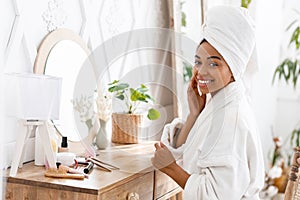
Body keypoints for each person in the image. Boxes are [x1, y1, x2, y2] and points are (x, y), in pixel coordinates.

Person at [151, 5, 264, 200]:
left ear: (234, 68)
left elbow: (215, 195)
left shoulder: (231, 118)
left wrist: (170, 168)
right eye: (198, 61)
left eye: (213, 63)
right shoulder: (221, 102)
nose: (201, 71)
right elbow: (186, 147)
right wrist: (194, 114)